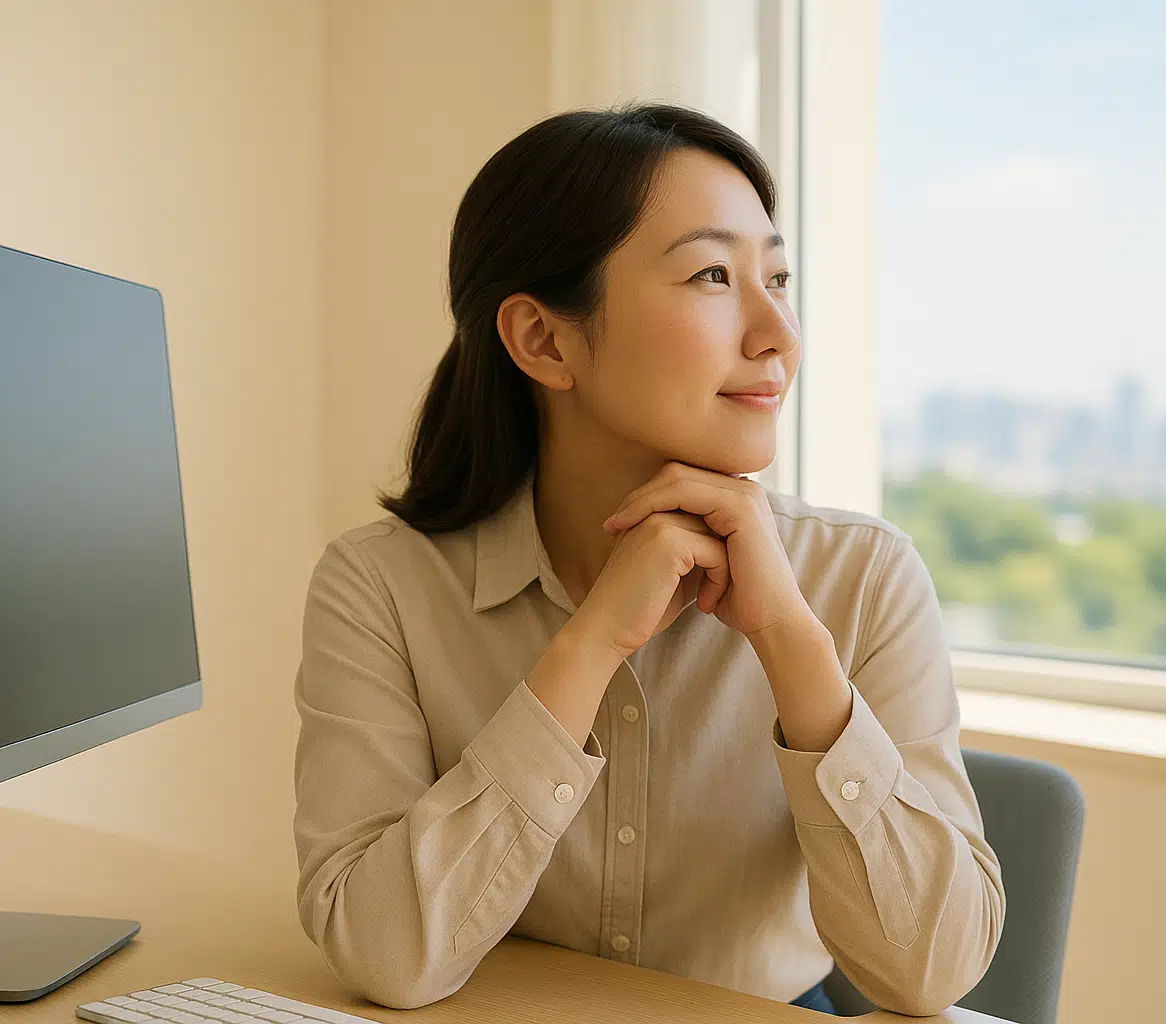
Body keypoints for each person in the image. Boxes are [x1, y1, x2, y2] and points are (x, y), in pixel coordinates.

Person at [291, 102, 1005, 1018]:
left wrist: (791, 639)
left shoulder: (864, 577)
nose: (778, 335)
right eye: (713, 274)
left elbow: (932, 973)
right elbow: (384, 956)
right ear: (544, 341)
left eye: (778, 277)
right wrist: (586, 647)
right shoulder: (381, 586)